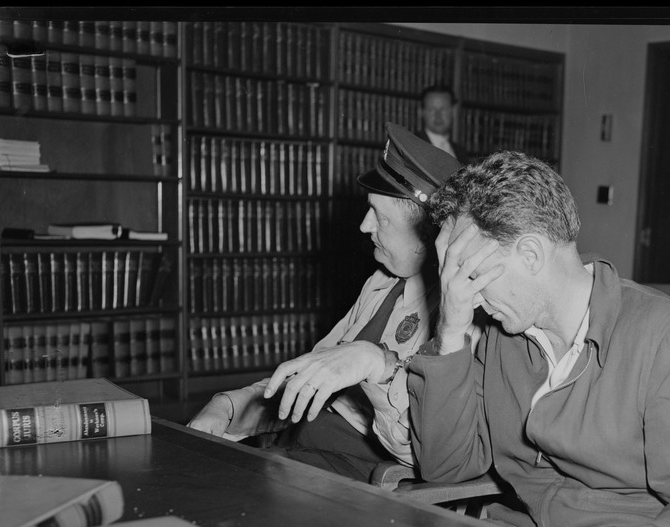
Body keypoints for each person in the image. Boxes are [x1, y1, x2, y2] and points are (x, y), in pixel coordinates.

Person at [406, 149, 670, 527]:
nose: (464, 295)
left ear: (531, 254)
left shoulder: (665, 336)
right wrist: (450, 331)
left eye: (466, 274)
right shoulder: (502, 337)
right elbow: (446, 468)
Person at [187, 124, 463, 482]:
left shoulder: (457, 317)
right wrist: (229, 406)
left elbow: (426, 449)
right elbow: (307, 380)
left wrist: (378, 366)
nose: (364, 226)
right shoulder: (381, 284)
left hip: (356, 477)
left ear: (428, 235)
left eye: (379, 216)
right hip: (299, 447)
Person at [417, 84, 470, 165]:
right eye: (431, 110)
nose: (438, 116)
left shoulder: (461, 153)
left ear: (454, 111)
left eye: (443, 109)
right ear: (421, 112)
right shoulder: (412, 147)